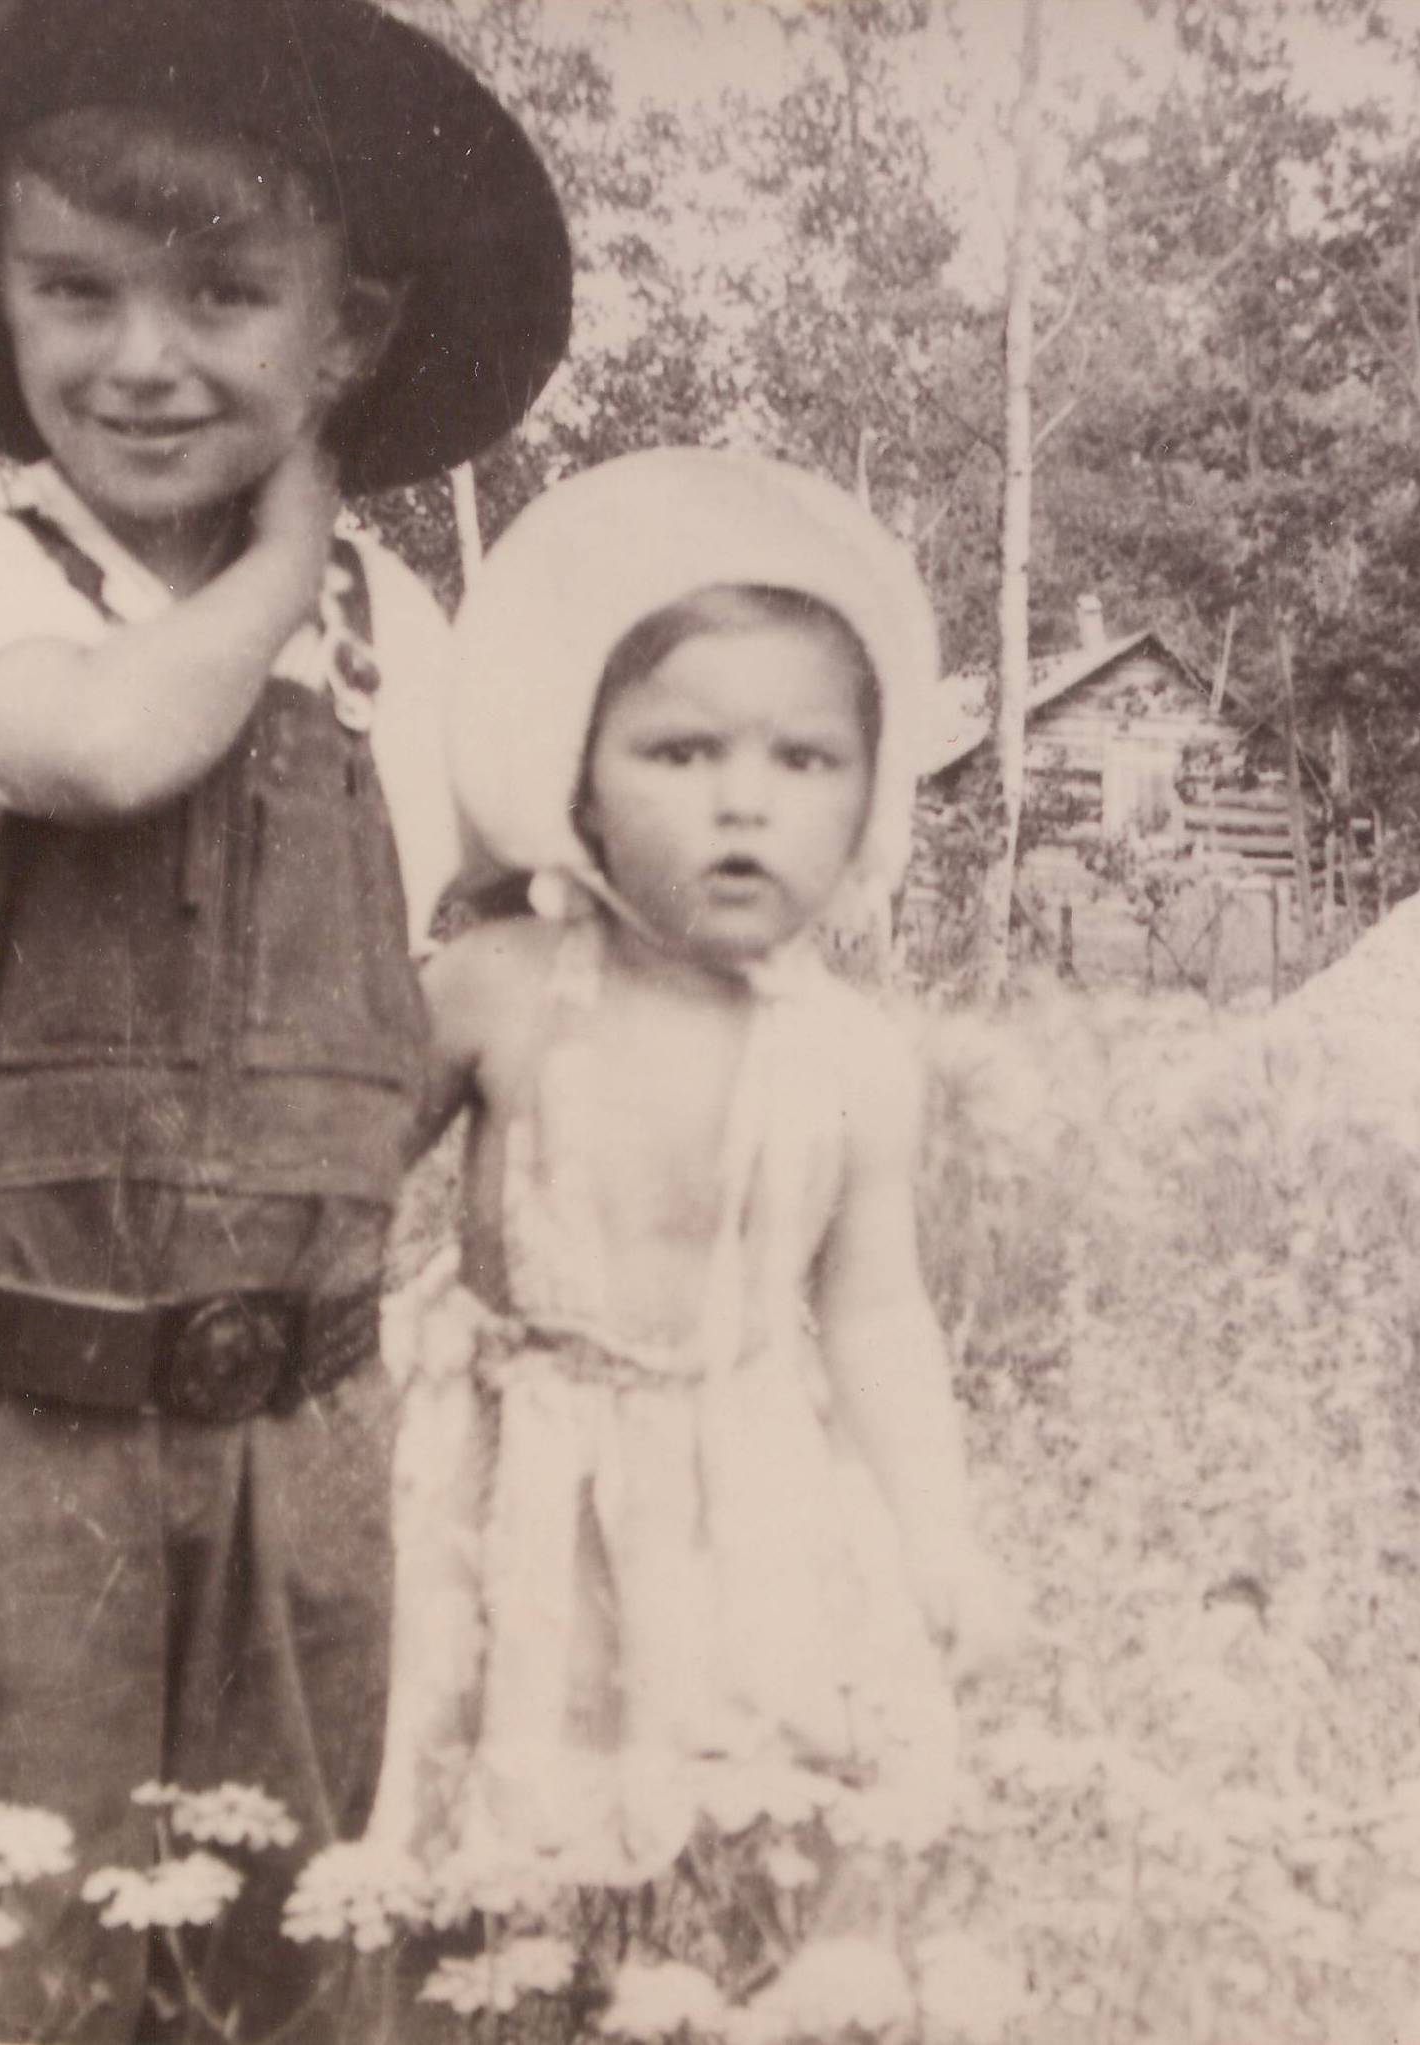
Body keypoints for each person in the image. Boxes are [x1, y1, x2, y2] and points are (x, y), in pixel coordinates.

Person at [0, 0, 570, 2035]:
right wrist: (297, 540)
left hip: (306, 1456)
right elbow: (112, 747)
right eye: (76, 289)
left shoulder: (412, 641)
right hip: (1, 1459)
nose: (141, 355)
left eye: (224, 292)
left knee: (298, 1975)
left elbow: (412, 1005)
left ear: (346, 332)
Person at [342, 450, 1020, 1914]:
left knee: (748, 1816)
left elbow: (879, 1316)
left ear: (864, 799)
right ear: (577, 778)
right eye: (679, 752)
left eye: (803, 760)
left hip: (743, 1477)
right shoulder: (500, 989)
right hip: (512, 1475)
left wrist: (936, 1532)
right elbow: (332, 1188)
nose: (743, 806)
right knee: (491, 1825)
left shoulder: (851, 1057)